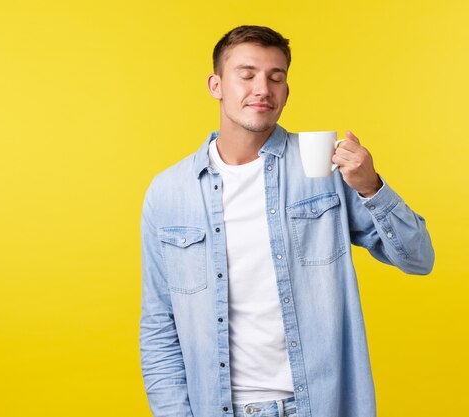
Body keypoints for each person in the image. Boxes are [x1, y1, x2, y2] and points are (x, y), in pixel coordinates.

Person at [140, 25, 434, 417]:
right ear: (216, 85)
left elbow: (419, 259)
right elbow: (159, 326)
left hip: (322, 406)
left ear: (286, 91)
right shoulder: (169, 193)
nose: (262, 88)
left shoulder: (327, 169)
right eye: (246, 75)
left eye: (275, 77)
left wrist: (371, 187)